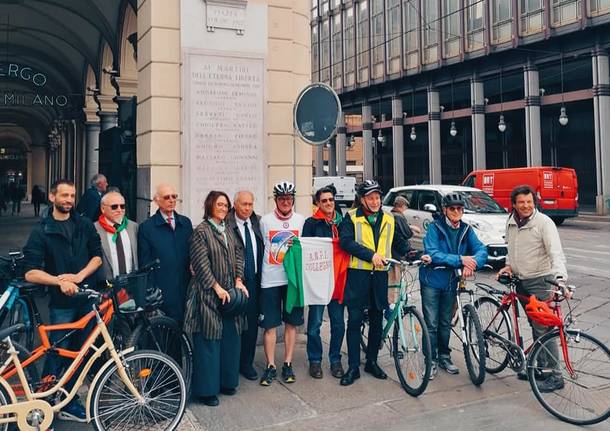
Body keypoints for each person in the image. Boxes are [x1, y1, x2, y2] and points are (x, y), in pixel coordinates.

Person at [23, 179, 103, 422]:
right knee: (57, 352)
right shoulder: (42, 230)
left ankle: (69, 400)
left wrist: (79, 277)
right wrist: (60, 281)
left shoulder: (84, 224)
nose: (69, 199)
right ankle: (42, 402)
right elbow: (30, 272)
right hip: (61, 304)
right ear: (52, 197)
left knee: (81, 353)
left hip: (86, 300)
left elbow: (97, 256)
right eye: (64, 195)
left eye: (72, 195)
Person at [338, 180, 411, 386]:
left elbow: (396, 241)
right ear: (362, 200)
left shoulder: (389, 218)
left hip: (380, 276)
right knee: (354, 321)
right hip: (358, 275)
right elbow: (346, 242)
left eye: (377, 197)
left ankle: (371, 361)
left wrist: (413, 252)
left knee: (377, 320)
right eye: (370, 198)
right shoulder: (351, 217)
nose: (375, 201)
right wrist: (371, 255)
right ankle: (353, 367)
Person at [498, 184, 570, 392]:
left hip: (541, 281)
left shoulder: (544, 223)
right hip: (520, 280)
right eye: (521, 202)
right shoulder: (511, 221)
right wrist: (509, 265)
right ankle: (538, 366)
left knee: (544, 328)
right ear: (514, 204)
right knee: (534, 325)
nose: (526, 206)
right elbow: (511, 247)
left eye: (529, 202)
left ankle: (554, 375)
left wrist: (560, 279)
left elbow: (555, 252)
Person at [183, 191, 248, 407]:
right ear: (210, 205)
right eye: (219, 204)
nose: (223, 208)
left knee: (231, 338)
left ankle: (227, 383)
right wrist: (217, 288)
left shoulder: (228, 229)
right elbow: (200, 263)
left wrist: (238, 280)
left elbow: (239, 254)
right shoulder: (201, 231)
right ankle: (207, 391)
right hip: (208, 295)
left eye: (226, 205)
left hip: (231, 294)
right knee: (209, 342)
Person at [420, 193, 487, 379]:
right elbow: (433, 252)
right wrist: (460, 259)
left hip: (451, 282)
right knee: (431, 323)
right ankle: (430, 359)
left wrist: (471, 263)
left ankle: (444, 356)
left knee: (445, 323)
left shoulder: (466, 229)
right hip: (432, 281)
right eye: (452, 209)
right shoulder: (435, 228)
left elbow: (482, 250)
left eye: (459, 209)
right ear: (444, 210)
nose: (456, 212)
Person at [259, 181, 305, 386]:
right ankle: (270, 365)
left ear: (293, 200)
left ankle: (287, 362)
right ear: (275, 200)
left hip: (292, 280)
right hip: (270, 279)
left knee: (291, 323)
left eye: (288, 198)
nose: (285, 202)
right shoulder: (265, 221)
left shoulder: (301, 220)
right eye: (281, 199)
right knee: (269, 325)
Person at [302, 185, 347, 380]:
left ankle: (335, 359)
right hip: (319, 281)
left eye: (331, 200)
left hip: (338, 280)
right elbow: (305, 250)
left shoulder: (343, 222)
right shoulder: (311, 223)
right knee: (314, 324)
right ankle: (315, 361)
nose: (328, 203)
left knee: (338, 324)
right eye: (324, 201)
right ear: (317, 203)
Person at [138, 183, 193, 324]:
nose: (171, 200)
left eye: (174, 197)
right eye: (167, 197)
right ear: (157, 200)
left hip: (185, 290)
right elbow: (145, 263)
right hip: (163, 293)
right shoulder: (147, 227)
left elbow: (193, 253)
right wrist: (152, 292)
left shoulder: (185, 223)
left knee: (184, 336)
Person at [226, 190, 264, 381]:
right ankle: (232, 363)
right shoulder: (227, 223)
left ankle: (247, 363)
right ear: (235, 204)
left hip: (255, 280)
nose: (248, 208)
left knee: (251, 325)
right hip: (235, 282)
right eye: (244, 204)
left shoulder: (257, 222)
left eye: (250, 204)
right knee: (235, 326)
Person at [93, 191, 138, 280]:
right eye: (114, 207)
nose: (119, 210)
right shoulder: (94, 229)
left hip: (132, 285)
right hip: (105, 287)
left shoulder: (133, 227)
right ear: (103, 209)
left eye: (122, 206)